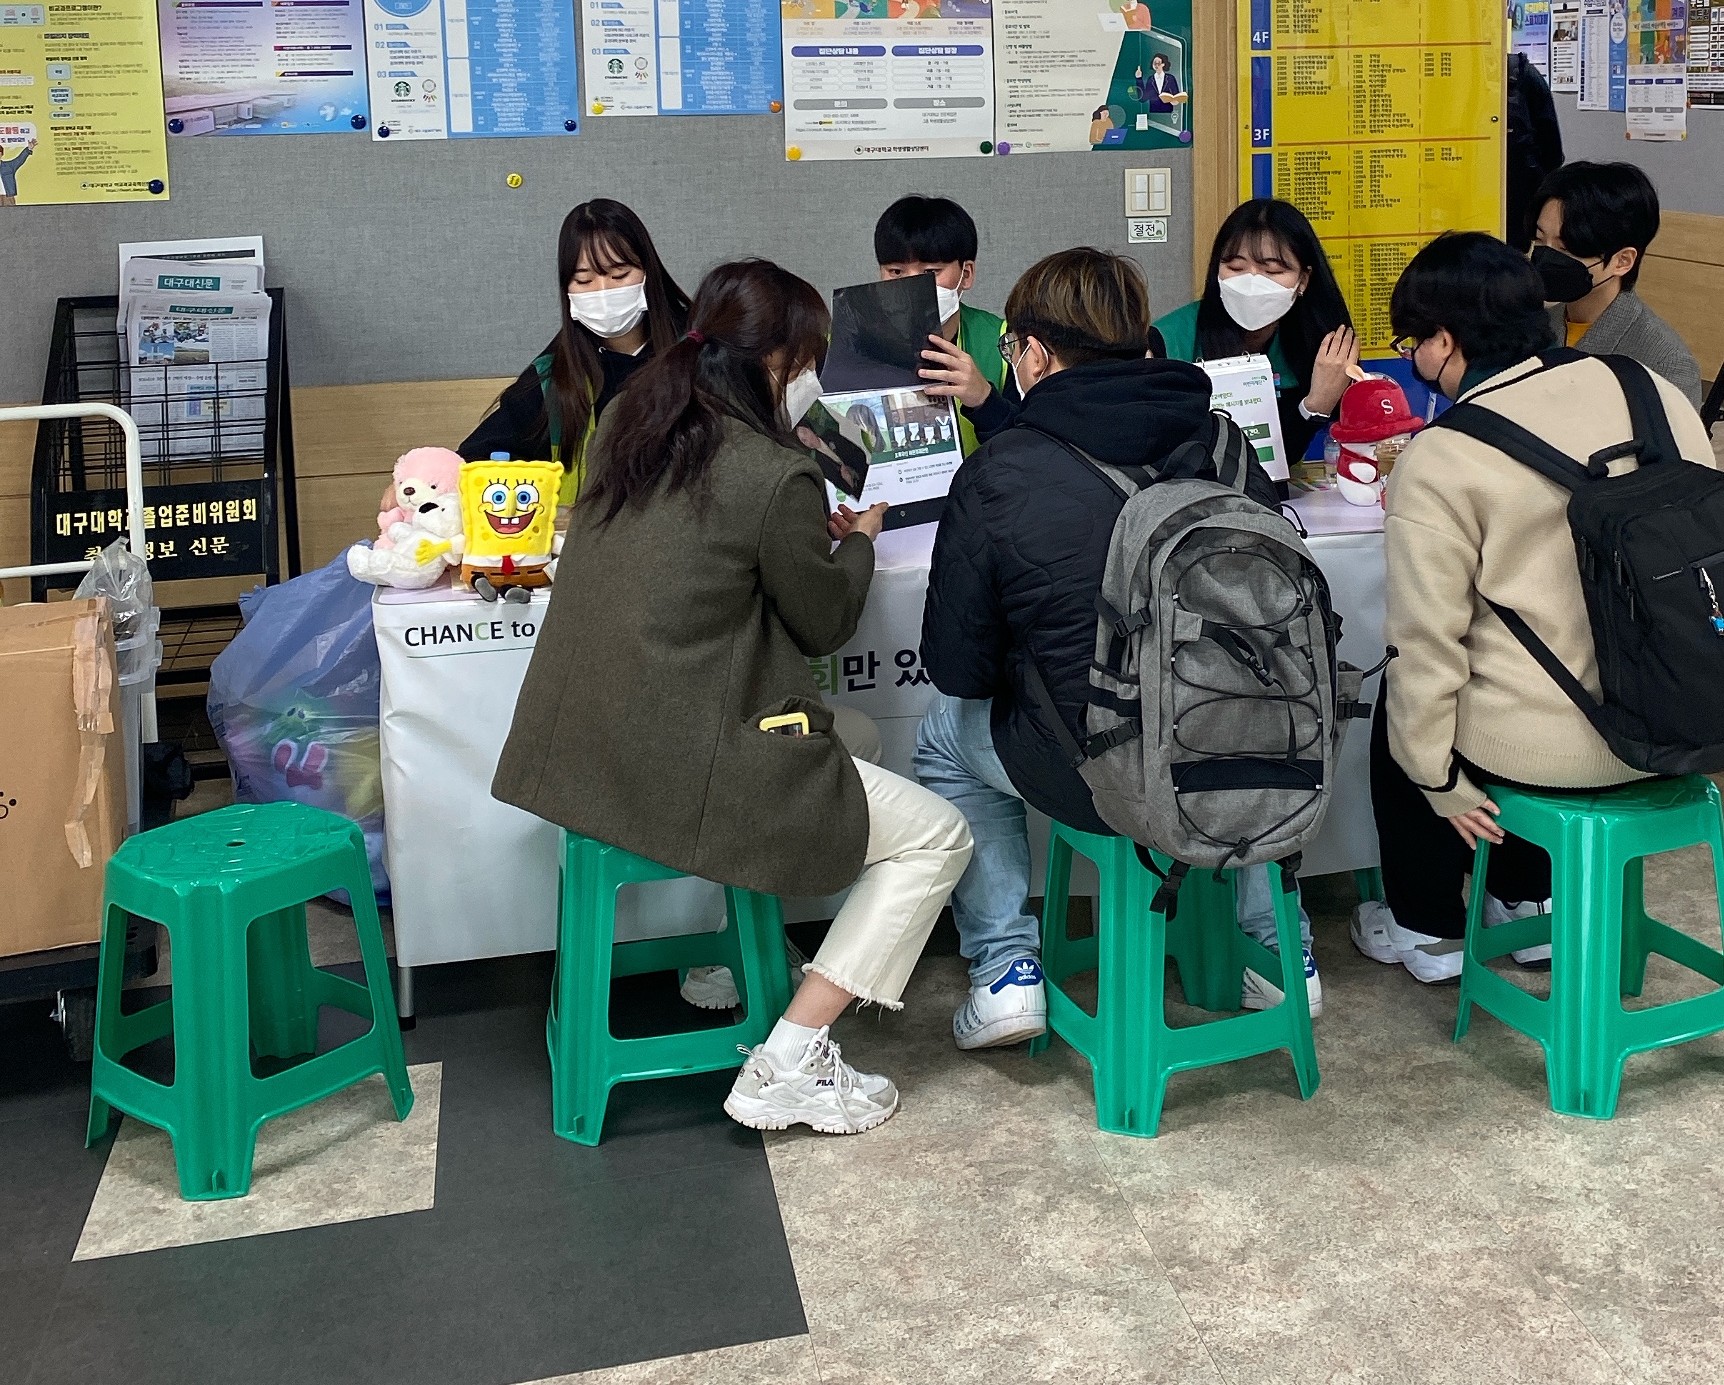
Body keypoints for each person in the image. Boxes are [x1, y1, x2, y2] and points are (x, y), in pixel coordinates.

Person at [492, 259, 971, 1137]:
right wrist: (859, 542)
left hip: (584, 750)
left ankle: (733, 956)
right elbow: (822, 623)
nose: (812, 375)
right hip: (680, 760)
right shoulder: (771, 472)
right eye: (809, 358)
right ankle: (789, 1062)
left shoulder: (635, 424)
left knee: (854, 736)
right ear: (777, 360)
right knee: (939, 837)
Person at [915, 249, 1319, 1051]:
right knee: (1232, 705)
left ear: (1034, 353)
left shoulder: (1003, 468)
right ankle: (1282, 949)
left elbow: (958, 668)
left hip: (1100, 771)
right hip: (1259, 750)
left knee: (941, 737)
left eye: (1012, 349)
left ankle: (1006, 971)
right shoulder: (1224, 440)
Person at [1352, 231, 1717, 985]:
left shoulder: (1445, 454)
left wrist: (1437, 784)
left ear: (1446, 341)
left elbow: (1426, 642)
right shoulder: (1651, 390)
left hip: (1564, 752)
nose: (1417, 359)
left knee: (1409, 703)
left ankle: (1428, 927)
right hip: (1686, 714)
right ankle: (1526, 899)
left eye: (1415, 344)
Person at [459, 199, 691, 495]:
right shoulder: (554, 377)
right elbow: (477, 457)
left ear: (649, 272)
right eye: (584, 280)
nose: (603, 291)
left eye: (619, 275)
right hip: (584, 524)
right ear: (567, 289)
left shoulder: (701, 353)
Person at [1154, 198, 1361, 468]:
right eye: (1236, 268)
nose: (1251, 283)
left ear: (1303, 280)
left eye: (1272, 270)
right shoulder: (1168, 340)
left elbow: (1278, 458)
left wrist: (1317, 404)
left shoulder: (1318, 343)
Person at [1530, 161, 1702, 408]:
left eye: (1565, 248)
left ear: (1622, 261)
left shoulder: (1666, 363)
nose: (1547, 257)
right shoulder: (1534, 327)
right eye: (1540, 239)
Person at [879, 193, 1015, 452]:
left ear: (967, 274)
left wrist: (985, 400)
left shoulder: (1005, 342)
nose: (913, 286)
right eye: (896, 271)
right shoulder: (845, 342)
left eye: (931, 272)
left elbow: (1028, 450)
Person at [1505, 50, 1565, 250]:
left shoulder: (1521, 74)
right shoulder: (1521, 73)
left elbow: (1552, 154)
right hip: (1516, 209)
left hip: (1515, 210)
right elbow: (1552, 154)